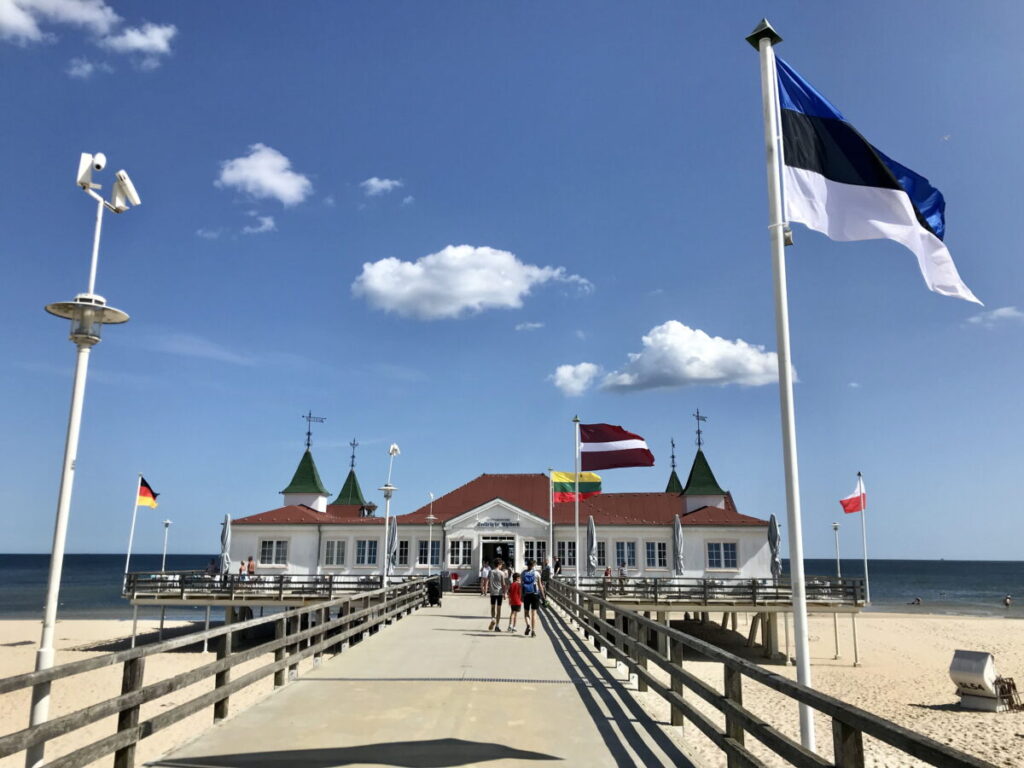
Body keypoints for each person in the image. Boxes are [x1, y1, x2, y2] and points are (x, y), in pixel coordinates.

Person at [521, 558, 544, 638]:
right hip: (535, 594)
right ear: (534, 565)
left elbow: (521, 586)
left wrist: (521, 596)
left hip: (526, 594)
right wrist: (543, 597)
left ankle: (528, 625)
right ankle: (533, 631)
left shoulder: (523, 573)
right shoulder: (537, 574)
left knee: (526, 612)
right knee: (534, 613)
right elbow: (540, 586)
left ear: (527, 565)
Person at [487, 560, 508, 632]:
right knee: (499, 609)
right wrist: (505, 593)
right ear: (498, 564)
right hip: (499, 593)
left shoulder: (491, 572)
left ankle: (493, 618)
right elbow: (503, 584)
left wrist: (487, 589)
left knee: (493, 607)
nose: (501, 566)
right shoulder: (502, 573)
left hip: (493, 592)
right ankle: (497, 626)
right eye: (501, 564)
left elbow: (488, 581)